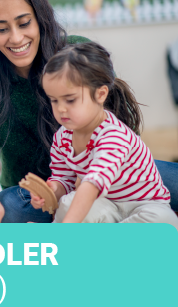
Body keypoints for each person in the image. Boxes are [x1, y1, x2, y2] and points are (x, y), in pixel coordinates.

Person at [0, 0, 178, 223]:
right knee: (8, 205)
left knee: (156, 187)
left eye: (24, 23)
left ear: (39, 19)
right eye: (2, 29)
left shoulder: (75, 56)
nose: (16, 38)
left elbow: (117, 127)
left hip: (109, 169)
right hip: (47, 189)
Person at [33, 42, 178, 228]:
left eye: (70, 100)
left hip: (143, 206)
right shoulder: (62, 138)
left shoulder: (114, 136)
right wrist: (52, 191)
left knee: (163, 222)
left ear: (100, 95)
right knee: (69, 202)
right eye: (54, 100)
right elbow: (64, 179)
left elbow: (92, 184)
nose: (61, 109)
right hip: (106, 204)